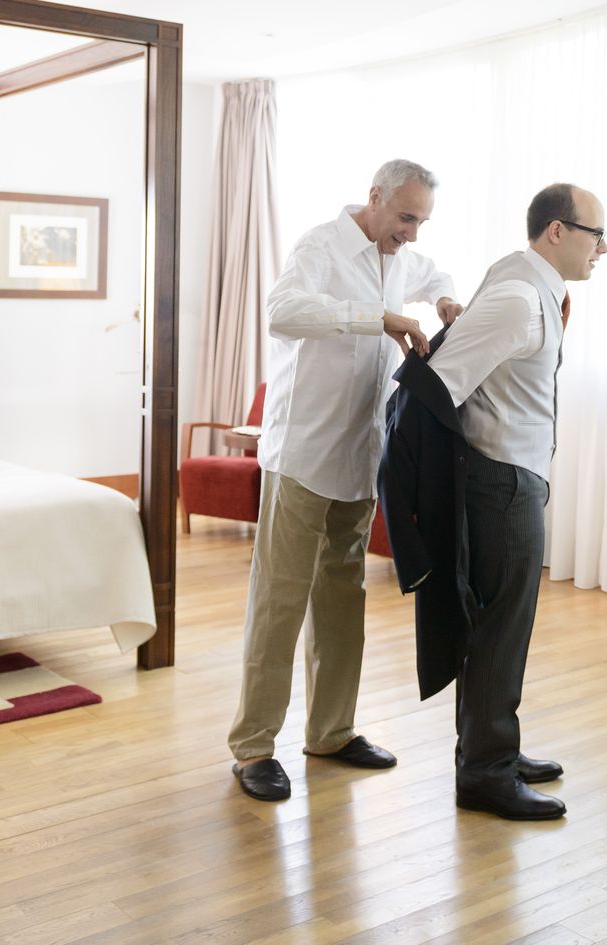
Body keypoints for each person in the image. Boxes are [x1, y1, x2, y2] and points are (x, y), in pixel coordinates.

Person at [228, 159, 463, 801]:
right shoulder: (321, 246)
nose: (412, 233)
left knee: (342, 600)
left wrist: (443, 298)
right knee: (279, 602)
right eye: (406, 217)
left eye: (422, 221)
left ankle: (331, 732)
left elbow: (434, 274)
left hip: (359, 459)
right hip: (302, 455)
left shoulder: (401, 255)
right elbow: (283, 311)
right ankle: (253, 748)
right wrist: (377, 317)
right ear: (375, 197)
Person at [419, 181, 607, 820]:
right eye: (595, 235)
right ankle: (485, 771)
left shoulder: (523, 280)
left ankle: (490, 749)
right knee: (501, 626)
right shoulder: (519, 298)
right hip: (501, 480)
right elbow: (439, 384)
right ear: (557, 231)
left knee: (498, 625)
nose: (602, 249)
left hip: (508, 473)